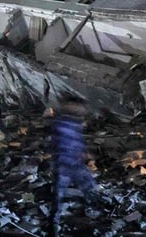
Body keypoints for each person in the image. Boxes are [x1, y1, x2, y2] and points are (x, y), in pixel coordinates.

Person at [50, 96, 99, 234]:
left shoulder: (74, 122)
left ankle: (92, 218)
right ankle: (54, 227)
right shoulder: (62, 122)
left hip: (75, 164)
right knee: (58, 197)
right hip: (64, 165)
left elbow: (77, 141)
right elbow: (62, 142)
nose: (84, 110)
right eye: (81, 107)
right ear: (70, 105)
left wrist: (84, 153)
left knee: (90, 188)